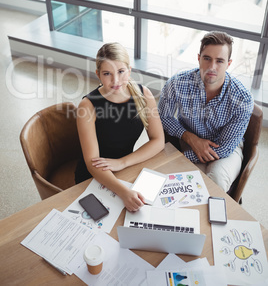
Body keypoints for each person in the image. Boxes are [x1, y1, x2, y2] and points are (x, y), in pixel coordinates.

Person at [158, 31, 254, 192]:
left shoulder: (243, 99)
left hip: (226, 149)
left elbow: (225, 148)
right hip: (188, 140)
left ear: (229, 64)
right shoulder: (177, 84)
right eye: (207, 58)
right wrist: (189, 137)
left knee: (215, 182)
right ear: (198, 58)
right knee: (181, 186)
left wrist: (182, 157)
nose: (212, 67)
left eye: (220, 61)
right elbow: (163, 116)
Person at [75, 42, 165, 212]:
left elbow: (158, 140)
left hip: (126, 168)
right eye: (107, 73)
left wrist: (122, 163)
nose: (115, 80)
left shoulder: (144, 95)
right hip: (94, 175)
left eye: (121, 72)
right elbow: (91, 163)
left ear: (129, 70)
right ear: (98, 75)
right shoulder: (87, 106)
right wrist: (124, 192)